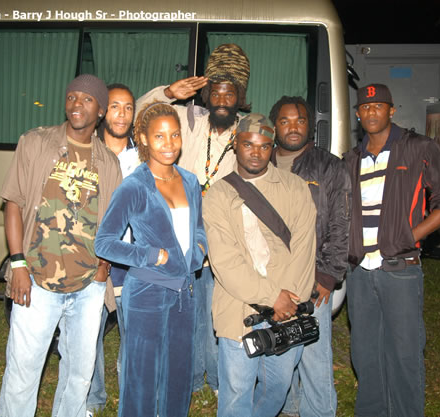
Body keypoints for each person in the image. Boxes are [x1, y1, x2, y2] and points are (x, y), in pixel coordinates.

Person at [0, 74, 122, 417]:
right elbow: (13, 203)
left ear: (100, 110)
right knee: (24, 370)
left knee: (79, 376)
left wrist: (102, 267)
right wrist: (18, 264)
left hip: (87, 287)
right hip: (36, 280)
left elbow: (111, 221)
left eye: (86, 99)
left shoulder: (108, 162)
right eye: (72, 97)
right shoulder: (36, 142)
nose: (76, 104)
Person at [136, 43, 251, 394]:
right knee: (187, 306)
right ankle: (190, 377)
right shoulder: (187, 120)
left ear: (240, 96)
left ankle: (217, 378)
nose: (220, 97)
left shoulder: (249, 130)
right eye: (214, 89)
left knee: (220, 307)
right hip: (182, 233)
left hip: (227, 237)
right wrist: (168, 93)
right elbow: (140, 117)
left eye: (229, 91)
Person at [344, 83, 440, 417]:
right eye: (365, 107)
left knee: (405, 352)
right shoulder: (351, 160)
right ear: (357, 114)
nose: (372, 112)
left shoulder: (417, 148)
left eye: (379, 106)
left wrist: (409, 236)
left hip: (400, 269)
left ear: (392, 110)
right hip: (359, 273)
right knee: (365, 353)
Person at [94, 102, 208, 417]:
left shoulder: (190, 181)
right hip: (146, 293)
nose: (168, 144)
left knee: (179, 377)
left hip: (184, 294)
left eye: (174, 136)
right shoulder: (135, 186)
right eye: (159, 136)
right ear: (143, 139)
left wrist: (198, 252)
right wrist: (150, 255)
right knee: (140, 380)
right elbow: (104, 243)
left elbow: (199, 228)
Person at [203, 113, 317, 417]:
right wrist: (271, 297)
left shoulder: (294, 187)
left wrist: (288, 298)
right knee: (237, 393)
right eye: (248, 144)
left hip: (287, 309)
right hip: (239, 310)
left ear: (273, 147)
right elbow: (225, 261)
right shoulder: (219, 194)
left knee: (277, 388)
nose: (256, 152)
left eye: (265, 146)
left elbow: (305, 247)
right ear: (235, 145)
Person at [269, 96, 351, 417]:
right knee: (278, 346)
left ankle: (319, 412)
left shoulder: (329, 166)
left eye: (300, 120)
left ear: (310, 126)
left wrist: (328, 276)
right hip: (271, 278)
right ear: (274, 126)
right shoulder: (261, 161)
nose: (293, 127)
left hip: (313, 277)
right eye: (285, 121)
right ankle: (288, 408)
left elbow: (341, 224)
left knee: (314, 351)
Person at [86, 83, 139, 416]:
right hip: (94, 260)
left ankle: (133, 397)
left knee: (135, 336)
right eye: (115, 106)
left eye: (129, 107)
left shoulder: (145, 155)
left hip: (133, 261)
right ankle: (92, 399)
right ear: (104, 110)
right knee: (89, 332)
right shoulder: (85, 151)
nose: (122, 114)